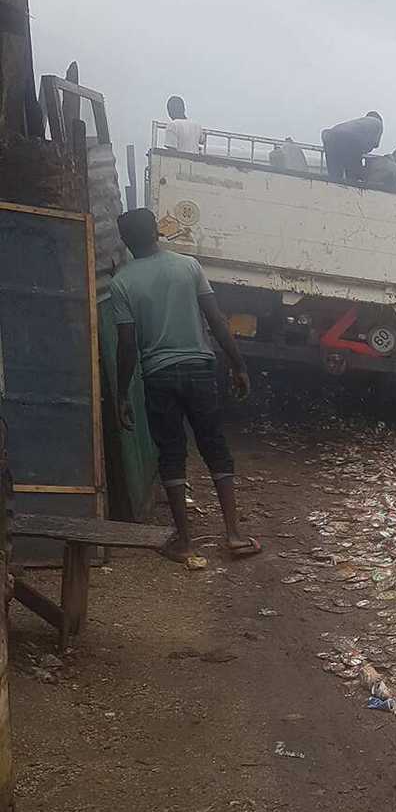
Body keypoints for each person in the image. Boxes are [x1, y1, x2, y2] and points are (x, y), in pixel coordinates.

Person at [111, 208, 261, 565]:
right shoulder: (188, 266)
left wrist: (121, 393)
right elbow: (216, 320)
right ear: (157, 233)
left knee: (172, 454)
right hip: (199, 369)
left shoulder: (121, 282)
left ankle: (186, 541)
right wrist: (239, 366)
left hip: (159, 375)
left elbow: (127, 345)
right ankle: (234, 535)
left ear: (125, 241)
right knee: (215, 446)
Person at [321, 112, 384, 182]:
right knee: (353, 176)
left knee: (335, 176)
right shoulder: (379, 123)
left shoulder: (358, 122)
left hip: (329, 137)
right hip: (350, 141)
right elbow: (375, 144)